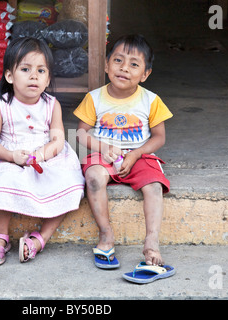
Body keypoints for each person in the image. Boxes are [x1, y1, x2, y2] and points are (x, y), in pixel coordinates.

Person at [0, 37, 85, 266]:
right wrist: (10, 156)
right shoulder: (2, 105)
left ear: (48, 79)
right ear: (9, 76)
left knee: (72, 185)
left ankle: (39, 239)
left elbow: (58, 138)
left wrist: (44, 154)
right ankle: (0, 236)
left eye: (41, 70)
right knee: (6, 178)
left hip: (45, 155)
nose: (34, 76)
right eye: (25, 69)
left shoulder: (51, 105)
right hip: (9, 155)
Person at [74, 34, 173, 274]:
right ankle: (106, 235)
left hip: (138, 156)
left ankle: (151, 242)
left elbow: (159, 137)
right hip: (103, 155)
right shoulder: (94, 98)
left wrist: (137, 153)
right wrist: (103, 148)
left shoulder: (151, 101)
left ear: (145, 74)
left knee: (154, 186)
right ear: (107, 65)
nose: (124, 68)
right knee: (94, 177)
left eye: (134, 64)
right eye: (118, 60)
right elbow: (78, 134)